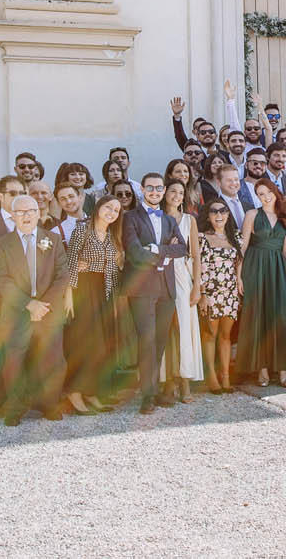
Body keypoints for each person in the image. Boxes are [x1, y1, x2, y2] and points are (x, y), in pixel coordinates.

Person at [0, 194, 71, 426]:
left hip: (49, 311)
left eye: (31, 211)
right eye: (21, 212)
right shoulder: (2, 244)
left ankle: (50, 405)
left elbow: (62, 275)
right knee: (13, 361)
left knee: (53, 360)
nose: (26, 216)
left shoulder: (52, 239)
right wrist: (29, 304)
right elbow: (2, 280)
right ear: (13, 216)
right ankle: (15, 407)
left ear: (38, 213)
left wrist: (43, 306)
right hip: (17, 312)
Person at [120, 172, 188, 414]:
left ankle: (154, 389)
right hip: (142, 288)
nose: (155, 192)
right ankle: (147, 395)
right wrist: (163, 252)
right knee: (146, 340)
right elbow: (135, 253)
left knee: (159, 342)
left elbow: (182, 248)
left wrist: (155, 249)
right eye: (150, 188)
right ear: (143, 191)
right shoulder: (130, 217)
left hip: (166, 288)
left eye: (159, 188)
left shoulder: (169, 220)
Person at [236, 180, 286, 387]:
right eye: (260, 193)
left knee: (280, 318)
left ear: (275, 192)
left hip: (278, 269)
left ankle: (283, 370)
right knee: (259, 317)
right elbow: (243, 247)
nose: (265, 196)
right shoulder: (252, 215)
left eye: (268, 192)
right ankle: (261, 369)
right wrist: (239, 276)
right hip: (255, 267)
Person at [65, 194, 124, 414]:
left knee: (101, 346)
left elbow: (114, 268)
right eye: (108, 207)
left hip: (104, 291)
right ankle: (75, 392)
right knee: (85, 344)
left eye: (116, 210)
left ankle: (91, 392)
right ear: (99, 207)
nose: (111, 212)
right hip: (84, 290)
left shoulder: (111, 236)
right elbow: (71, 262)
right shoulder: (82, 230)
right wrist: (69, 295)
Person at [194, 198, 242, 392]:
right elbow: (199, 267)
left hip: (230, 292)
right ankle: (211, 376)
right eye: (214, 212)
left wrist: (239, 281)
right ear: (208, 216)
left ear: (228, 214)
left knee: (225, 335)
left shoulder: (236, 237)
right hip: (210, 291)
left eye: (223, 211)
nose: (219, 215)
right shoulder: (202, 238)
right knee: (209, 334)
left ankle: (225, 376)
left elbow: (239, 263)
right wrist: (202, 293)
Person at [162, 179, 203, 401]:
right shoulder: (157, 217)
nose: (176, 196)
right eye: (172, 191)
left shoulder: (189, 220)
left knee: (184, 329)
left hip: (182, 275)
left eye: (180, 192)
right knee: (165, 329)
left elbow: (195, 256)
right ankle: (167, 380)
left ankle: (185, 381)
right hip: (159, 273)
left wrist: (197, 286)